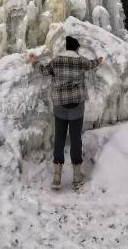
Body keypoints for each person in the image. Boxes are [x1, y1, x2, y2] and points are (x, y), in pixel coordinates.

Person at [28, 35, 104, 190]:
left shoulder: (57, 61)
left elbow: (44, 71)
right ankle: (77, 176)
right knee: (76, 139)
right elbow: (91, 64)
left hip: (60, 105)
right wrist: (99, 61)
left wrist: (35, 61)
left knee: (60, 138)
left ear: (66, 47)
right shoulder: (80, 61)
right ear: (76, 48)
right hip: (76, 106)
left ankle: (57, 176)